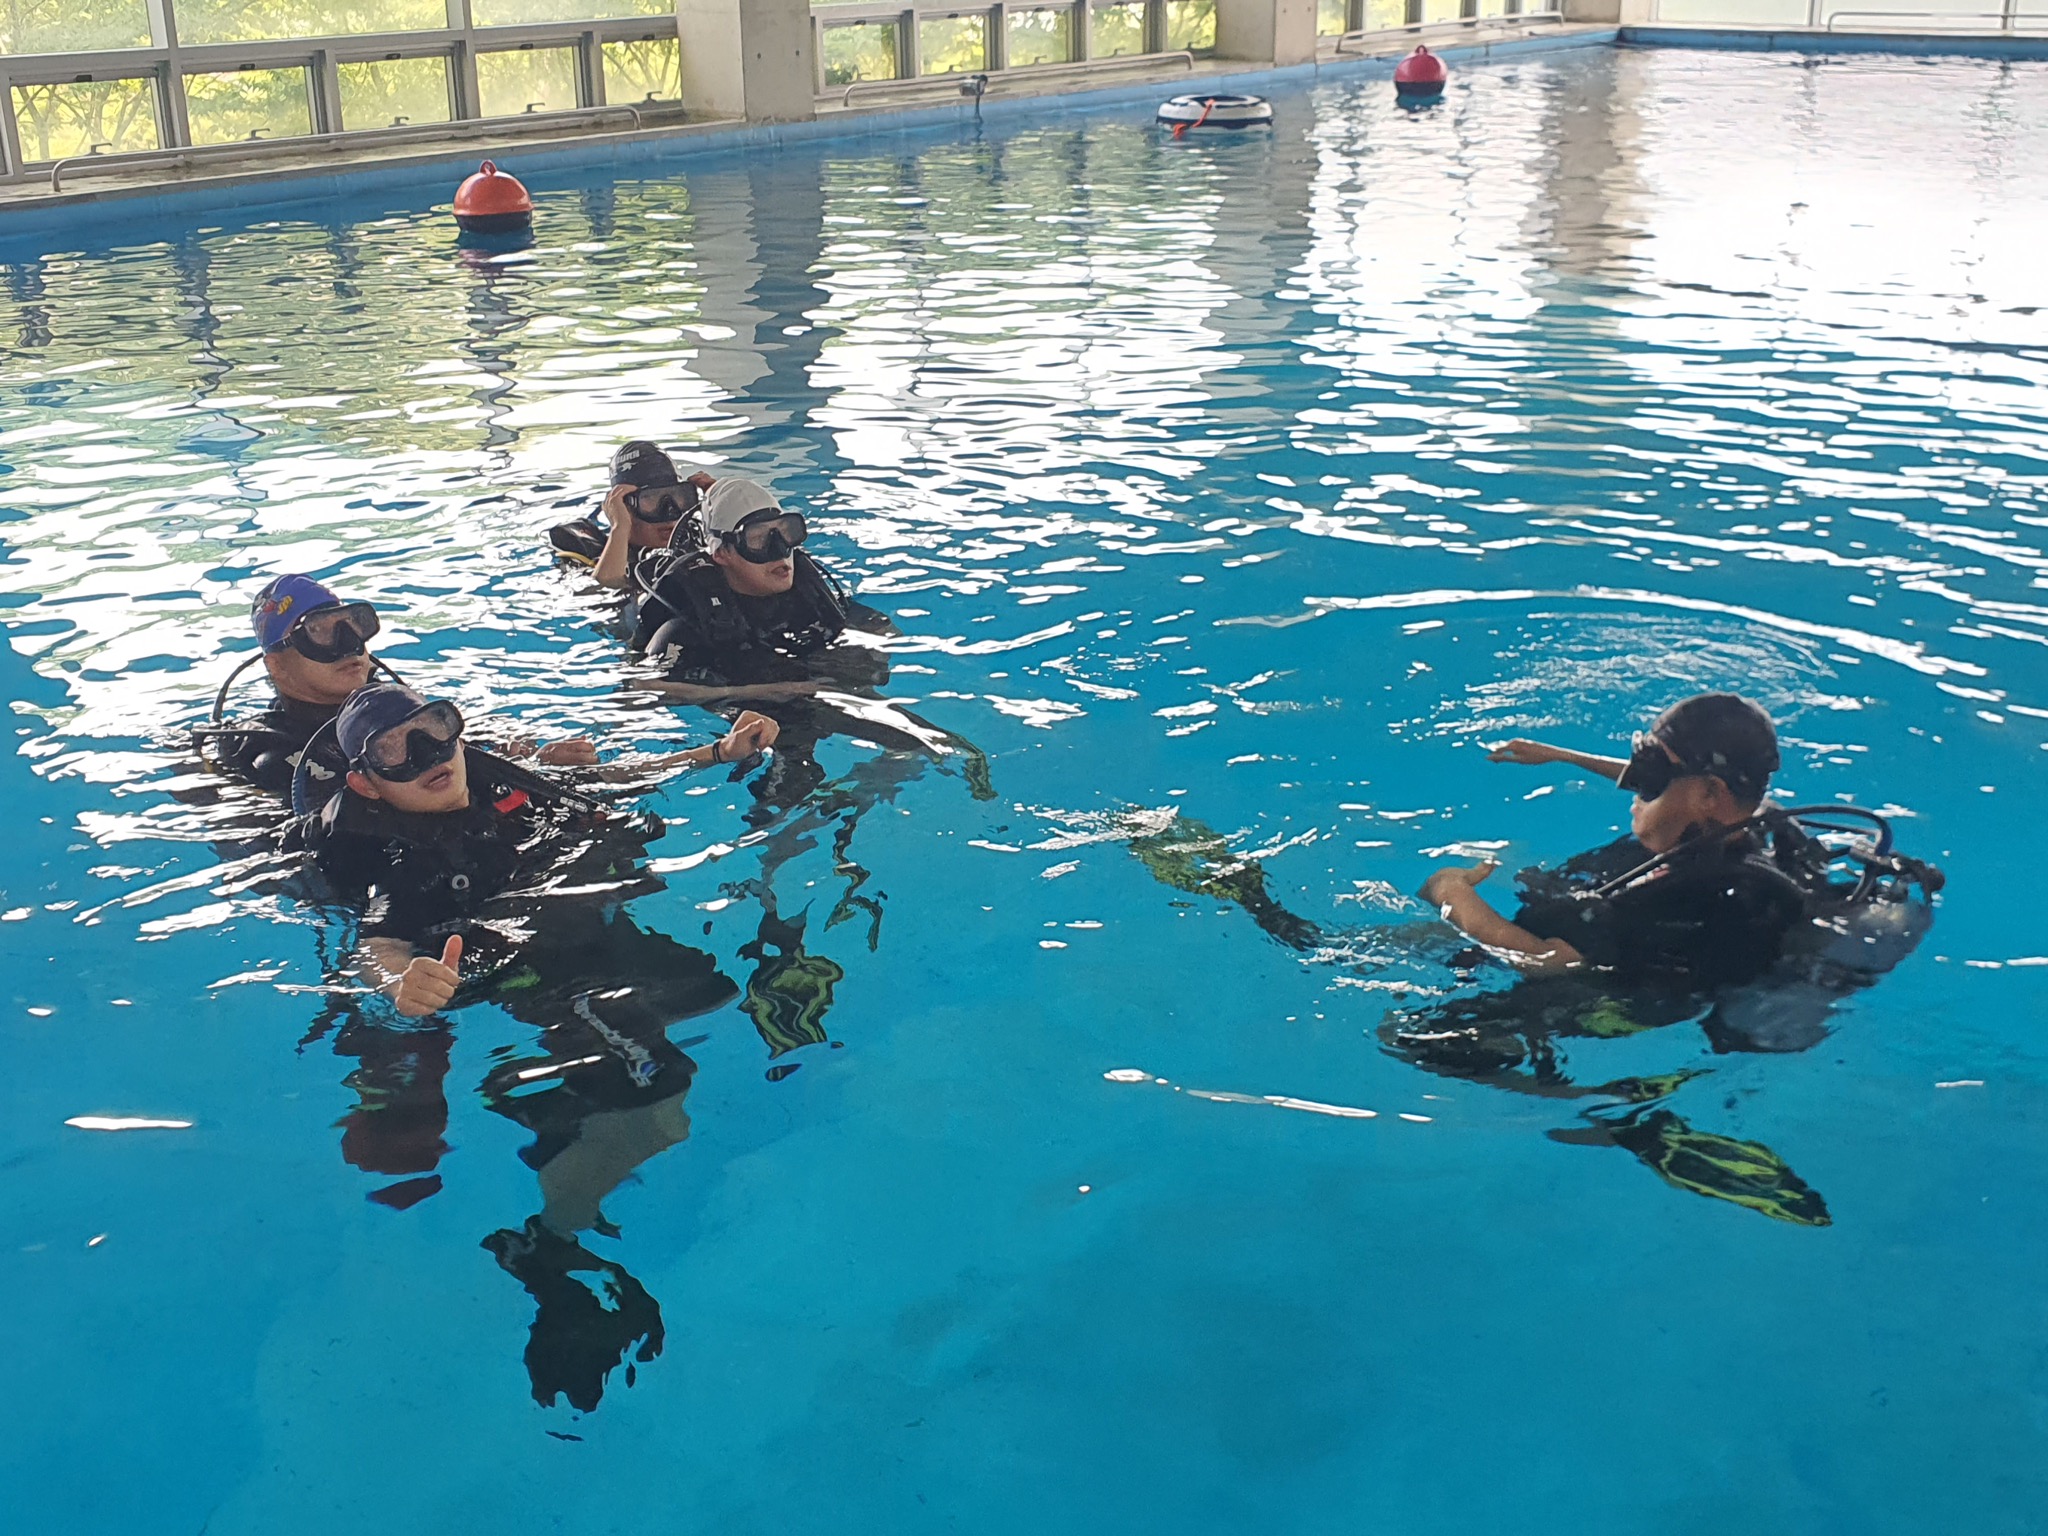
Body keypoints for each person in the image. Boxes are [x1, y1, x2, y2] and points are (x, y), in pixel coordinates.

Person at [1418, 692, 1807, 987]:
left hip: (1581, 1008)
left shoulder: (1682, 896)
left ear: (1710, 794)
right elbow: (1687, 782)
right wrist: (1564, 756)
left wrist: (1450, 891)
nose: (1634, 791)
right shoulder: (1760, 824)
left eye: (1650, 773)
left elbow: (1549, 961)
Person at [202, 574, 596, 801]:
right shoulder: (273, 755)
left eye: (351, 624)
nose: (350, 645)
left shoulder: (397, 705)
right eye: (319, 632)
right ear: (276, 666)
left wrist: (526, 756)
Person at [550, 441, 713, 592]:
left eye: (678, 496)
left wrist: (719, 506)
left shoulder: (699, 537)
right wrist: (620, 528)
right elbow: (608, 585)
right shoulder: (599, 560)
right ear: (623, 505)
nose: (670, 512)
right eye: (651, 499)